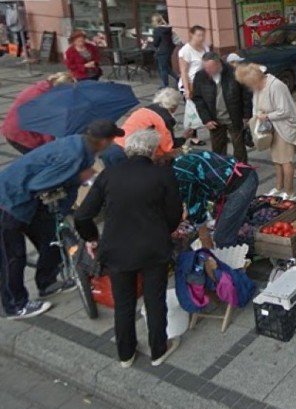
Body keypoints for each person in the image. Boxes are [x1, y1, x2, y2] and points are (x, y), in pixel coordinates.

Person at [74, 129, 182, 368]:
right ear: (153, 151)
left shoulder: (109, 174)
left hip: (116, 249)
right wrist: (163, 229)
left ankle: (126, 354)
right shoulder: (163, 174)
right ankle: (158, 350)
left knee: (124, 303)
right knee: (155, 300)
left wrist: (92, 239)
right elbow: (174, 215)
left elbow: (82, 215)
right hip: (153, 248)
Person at [0, 119, 119, 319]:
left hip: (28, 202)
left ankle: (48, 283)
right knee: (13, 256)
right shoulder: (72, 156)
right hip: (9, 200)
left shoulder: (82, 147)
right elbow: (39, 184)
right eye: (113, 140)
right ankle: (15, 305)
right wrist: (75, 178)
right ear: (104, 141)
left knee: (50, 239)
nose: (114, 144)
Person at [237, 63, 296, 199]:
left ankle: (289, 192)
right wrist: (257, 117)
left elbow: (285, 110)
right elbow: (256, 106)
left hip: (284, 127)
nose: (249, 87)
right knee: (276, 160)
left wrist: (266, 116)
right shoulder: (258, 88)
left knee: (285, 160)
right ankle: (279, 187)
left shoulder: (276, 86)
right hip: (271, 127)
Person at [172, 150, 258, 249]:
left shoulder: (179, 174)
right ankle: (241, 247)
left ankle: (231, 261)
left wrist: (204, 237)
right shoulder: (177, 163)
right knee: (227, 225)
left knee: (222, 238)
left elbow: (196, 206)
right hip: (241, 177)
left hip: (241, 185)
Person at [192, 52, 252, 163]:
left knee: (239, 148)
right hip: (214, 120)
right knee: (218, 150)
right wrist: (206, 119)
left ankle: (242, 170)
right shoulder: (200, 76)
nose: (207, 71)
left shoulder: (233, 73)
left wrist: (246, 115)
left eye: (210, 68)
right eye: (205, 68)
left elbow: (246, 95)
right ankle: (221, 170)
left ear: (218, 63)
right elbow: (198, 99)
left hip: (234, 117)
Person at [103, 87, 186, 165]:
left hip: (112, 147)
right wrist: (184, 138)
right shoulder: (164, 118)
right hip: (127, 152)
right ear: (174, 106)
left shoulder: (143, 110)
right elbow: (167, 148)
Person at [1, 72, 74, 154]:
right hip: (23, 135)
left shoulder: (40, 87)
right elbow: (48, 132)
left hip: (12, 128)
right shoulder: (48, 101)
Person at [178, 25, 209, 147]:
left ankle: (212, 128)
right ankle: (193, 136)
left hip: (203, 82)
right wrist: (187, 90)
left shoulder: (205, 47)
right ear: (191, 35)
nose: (201, 38)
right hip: (190, 83)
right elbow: (184, 72)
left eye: (203, 35)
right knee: (192, 110)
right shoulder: (185, 51)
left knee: (208, 106)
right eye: (198, 35)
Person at [151, 14, 178, 88]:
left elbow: (156, 43)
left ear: (155, 22)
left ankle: (165, 84)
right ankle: (178, 78)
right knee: (167, 67)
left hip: (161, 51)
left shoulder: (157, 30)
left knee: (163, 68)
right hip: (169, 49)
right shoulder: (168, 29)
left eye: (152, 21)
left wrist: (151, 40)